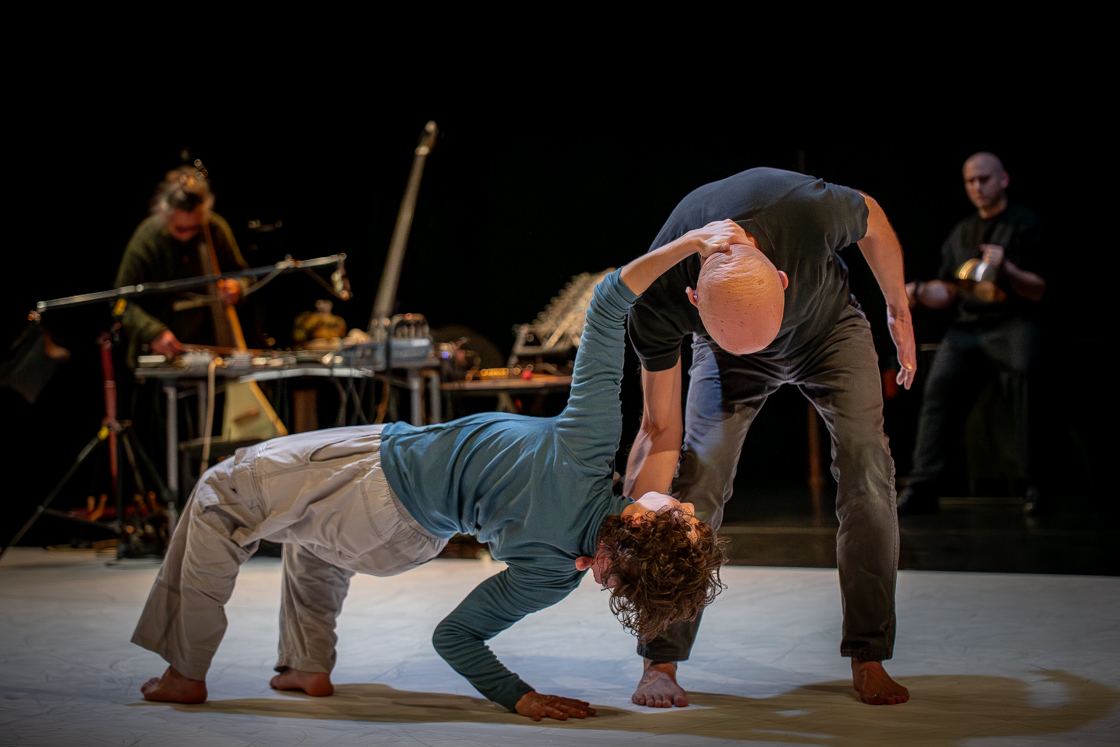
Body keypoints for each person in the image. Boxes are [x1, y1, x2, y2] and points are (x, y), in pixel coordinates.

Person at [131, 222, 736, 721]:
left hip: (380, 477)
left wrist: (689, 244)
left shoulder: (586, 450)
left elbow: (608, 302)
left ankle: (184, 671)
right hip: (409, 539)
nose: (686, 505)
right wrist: (517, 697)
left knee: (221, 493)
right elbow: (456, 636)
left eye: (680, 517)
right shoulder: (555, 576)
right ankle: (306, 665)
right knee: (313, 536)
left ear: (641, 521)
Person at [625, 167, 916, 707]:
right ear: (693, 298)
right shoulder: (658, 292)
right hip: (723, 357)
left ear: (783, 278)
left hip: (826, 328)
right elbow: (657, 428)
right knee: (697, 481)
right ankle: (659, 659)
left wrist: (897, 307)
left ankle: (868, 654)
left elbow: (871, 213)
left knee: (867, 466)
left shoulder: (803, 208)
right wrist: (635, 520)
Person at [899, 152, 1046, 515]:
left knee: (1026, 379)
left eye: (984, 179)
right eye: (970, 181)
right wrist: (916, 291)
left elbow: (1039, 289)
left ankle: (1037, 486)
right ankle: (922, 486)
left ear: (1003, 179)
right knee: (938, 388)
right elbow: (949, 291)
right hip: (968, 328)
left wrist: (1007, 269)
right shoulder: (962, 232)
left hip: (1013, 322)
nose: (977, 187)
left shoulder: (1025, 225)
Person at [114, 164, 248, 366]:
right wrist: (153, 332)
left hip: (215, 355)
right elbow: (121, 303)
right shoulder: (148, 238)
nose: (187, 236)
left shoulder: (214, 228)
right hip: (160, 358)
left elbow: (244, 275)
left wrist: (238, 287)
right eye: (180, 229)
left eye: (194, 228)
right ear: (164, 212)